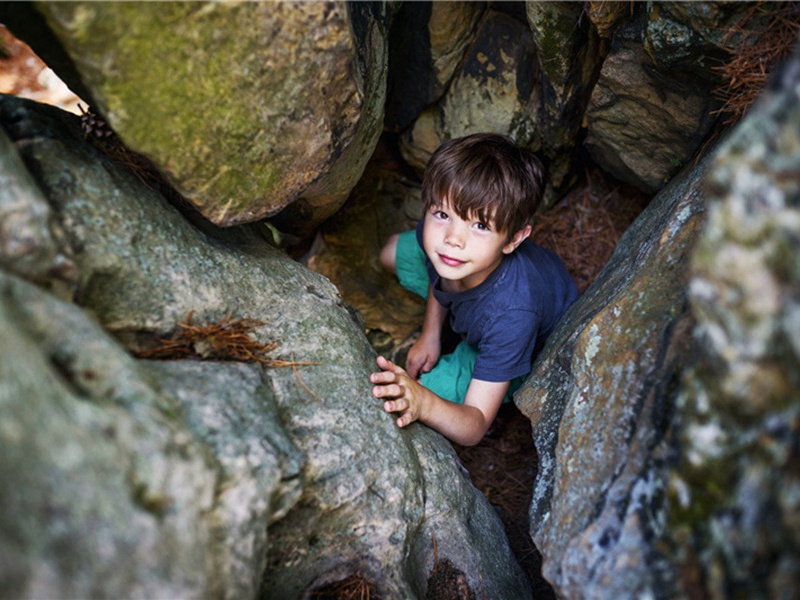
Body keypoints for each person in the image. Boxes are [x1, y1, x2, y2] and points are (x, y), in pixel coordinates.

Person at [370, 133, 578, 446]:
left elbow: (474, 424)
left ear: (513, 240)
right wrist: (430, 334)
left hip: (512, 340)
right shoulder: (444, 241)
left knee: (429, 389)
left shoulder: (513, 316)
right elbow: (440, 273)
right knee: (389, 253)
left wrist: (423, 401)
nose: (453, 237)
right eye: (442, 214)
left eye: (480, 225)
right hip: (478, 284)